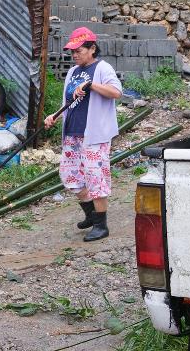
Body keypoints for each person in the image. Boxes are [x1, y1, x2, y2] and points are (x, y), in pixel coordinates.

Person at [44, 26, 122, 241]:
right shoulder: (72, 72)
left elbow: (116, 92)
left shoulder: (102, 69)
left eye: (79, 50)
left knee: (95, 178)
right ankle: (91, 215)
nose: (75, 55)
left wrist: (92, 85)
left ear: (92, 48)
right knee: (71, 176)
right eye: (72, 52)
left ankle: (101, 225)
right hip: (73, 133)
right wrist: (55, 115)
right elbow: (69, 102)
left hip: (94, 135)